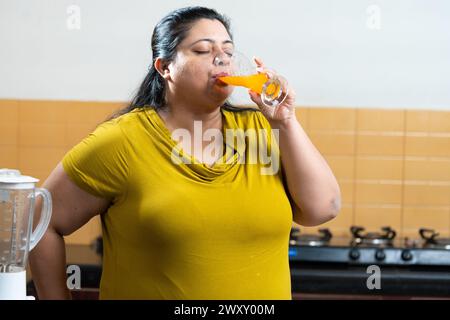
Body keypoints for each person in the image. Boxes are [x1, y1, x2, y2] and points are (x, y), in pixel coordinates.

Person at [29, 6, 341, 300]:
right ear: (165, 67)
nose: (222, 60)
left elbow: (322, 209)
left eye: (229, 52)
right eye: (204, 50)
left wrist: (286, 121)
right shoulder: (122, 141)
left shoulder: (261, 131)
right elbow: (40, 224)